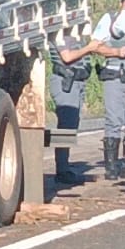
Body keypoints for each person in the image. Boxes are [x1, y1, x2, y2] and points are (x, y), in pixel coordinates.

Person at [49, 33, 99, 185]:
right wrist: (89, 48)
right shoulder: (58, 34)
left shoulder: (76, 33)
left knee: (72, 125)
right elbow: (67, 57)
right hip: (66, 82)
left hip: (77, 82)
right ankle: (62, 170)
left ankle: (65, 167)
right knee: (66, 127)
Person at [93, 0, 125, 179]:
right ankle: (111, 166)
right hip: (115, 75)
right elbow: (95, 45)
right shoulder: (110, 19)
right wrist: (115, 52)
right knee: (113, 120)